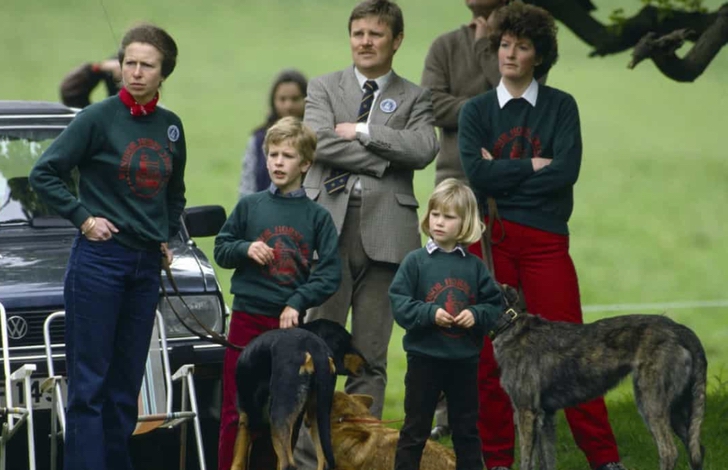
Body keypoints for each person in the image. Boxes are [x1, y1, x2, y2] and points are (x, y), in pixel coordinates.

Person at [458, 3, 626, 470]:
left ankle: (605, 459)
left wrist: (501, 170)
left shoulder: (560, 107)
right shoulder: (476, 111)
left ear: (540, 55)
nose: (511, 54)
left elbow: (565, 174)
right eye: (505, 44)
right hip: (492, 243)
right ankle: (496, 461)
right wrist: (531, 166)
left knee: (576, 350)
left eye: (523, 46)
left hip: (547, 240)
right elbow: (476, 177)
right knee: (489, 361)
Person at [29, 24, 185, 470]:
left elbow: (175, 194)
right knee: (89, 386)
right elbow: (45, 173)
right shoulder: (95, 118)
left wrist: (165, 235)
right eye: (129, 63)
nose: (135, 72)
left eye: (146, 65)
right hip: (99, 262)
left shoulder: (172, 128)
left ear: (163, 73)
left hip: (144, 268)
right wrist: (84, 218)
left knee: (124, 386)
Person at [302, 0, 439, 421]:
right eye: (358, 33)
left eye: (375, 34)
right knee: (315, 350)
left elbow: (423, 148)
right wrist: (382, 159)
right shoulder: (324, 87)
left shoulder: (415, 97)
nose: (365, 42)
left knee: (370, 355)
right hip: (327, 229)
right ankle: (310, 459)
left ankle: (363, 454)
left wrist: (363, 131)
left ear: (396, 40)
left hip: (388, 236)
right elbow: (318, 142)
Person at [213, 116, 342, 470]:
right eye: (272, 154)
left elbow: (331, 272)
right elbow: (221, 249)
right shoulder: (249, 206)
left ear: (306, 164)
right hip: (245, 320)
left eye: (287, 155)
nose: (278, 162)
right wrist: (244, 249)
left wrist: (297, 302)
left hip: (286, 328)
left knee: (281, 413)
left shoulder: (317, 217)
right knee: (235, 410)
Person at [389, 178, 504, 470]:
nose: (439, 222)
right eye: (435, 214)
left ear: (465, 223)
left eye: (449, 217)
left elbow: (495, 305)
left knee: (466, 431)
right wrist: (429, 313)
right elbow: (399, 303)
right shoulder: (415, 262)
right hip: (424, 361)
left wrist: (476, 314)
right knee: (415, 430)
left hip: (464, 363)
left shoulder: (475, 266)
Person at [421, 0, 505, 186]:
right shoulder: (445, 45)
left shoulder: (525, 47)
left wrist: (483, 45)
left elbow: (518, 101)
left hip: (510, 183)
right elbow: (429, 105)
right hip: (454, 181)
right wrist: (486, 108)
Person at [238, 69, 308, 197]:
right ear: (273, 101)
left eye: (295, 99)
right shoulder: (258, 139)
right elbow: (247, 186)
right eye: (282, 99)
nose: (288, 105)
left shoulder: (315, 138)